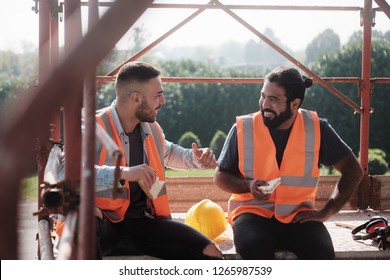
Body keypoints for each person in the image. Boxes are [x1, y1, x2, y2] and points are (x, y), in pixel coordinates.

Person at [213, 66, 363, 260]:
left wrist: (327, 211)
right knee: (253, 248)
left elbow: (353, 170)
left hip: (298, 215)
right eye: (263, 96)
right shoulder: (244, 127)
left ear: (294, 104)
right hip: (252, 213)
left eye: (273, 99)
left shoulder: (317, 127)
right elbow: (220, 176)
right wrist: (248, 186)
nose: (264, 104)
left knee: (322, 251)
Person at [94, 61, 222, 260]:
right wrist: (123, 172)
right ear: (136, 98)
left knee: (211, 252)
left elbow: (169, 153)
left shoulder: (151, 129)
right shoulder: (94, 127)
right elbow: (67, 171)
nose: (162, 101)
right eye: (158, 95)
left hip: (142, 225)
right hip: (102, 228)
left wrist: (195, 158)